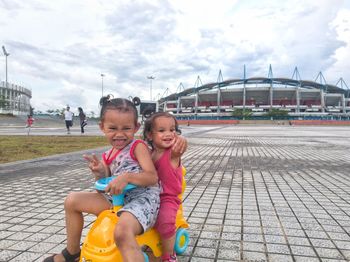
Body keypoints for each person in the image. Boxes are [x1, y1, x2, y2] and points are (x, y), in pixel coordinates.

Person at [44, 96, 160, 262]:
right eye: (112, 128)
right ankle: (72, 252)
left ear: (136, 127)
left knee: (121, 232)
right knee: (72, 200)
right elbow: (104, 186)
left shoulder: (138, 147)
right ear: (102, 127)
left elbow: (152, 177)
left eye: (126, 128)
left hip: (142, 201)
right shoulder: (108, 154)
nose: (119, 134)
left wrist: (126, 177)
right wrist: (100, 173)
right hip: (117, 200)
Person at [143, 112, 187, 262]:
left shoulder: (172, 154)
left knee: (165, 220)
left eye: (172, 129)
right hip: (149, 195)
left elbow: (178, 150)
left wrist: (181, 142)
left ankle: (169, 255)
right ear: (150, 135)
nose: (168, 134)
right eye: (162, 131)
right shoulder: (149, 154)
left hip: (167, 197)